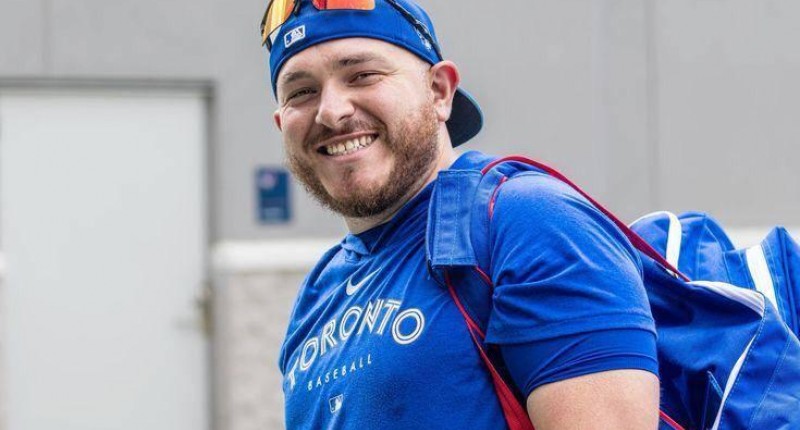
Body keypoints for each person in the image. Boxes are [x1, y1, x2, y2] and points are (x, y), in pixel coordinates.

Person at [263, 1, 660, 428]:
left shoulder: (529, 223)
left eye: (362, 75)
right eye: (301, 92)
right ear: (282, 123)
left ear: (440, 91)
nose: (331, 111)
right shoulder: (319, 291)